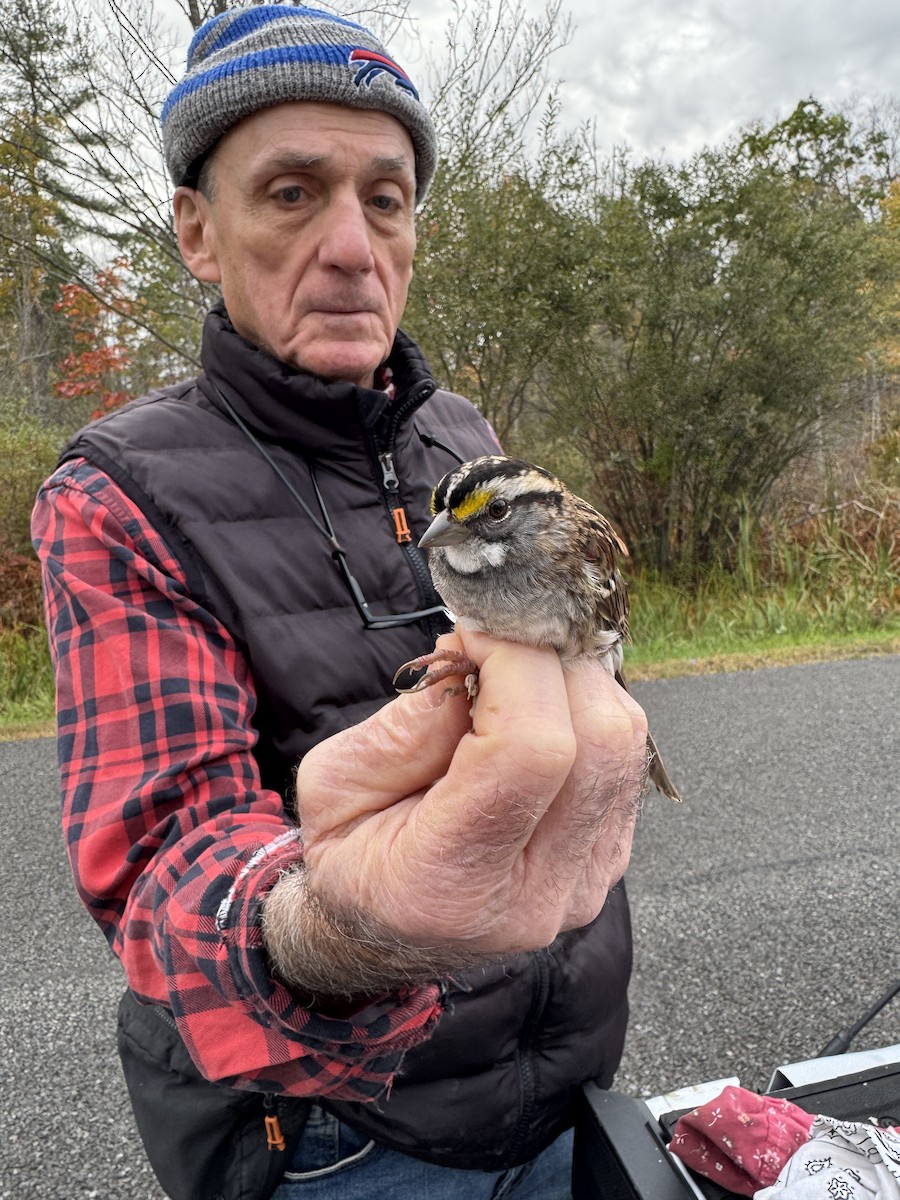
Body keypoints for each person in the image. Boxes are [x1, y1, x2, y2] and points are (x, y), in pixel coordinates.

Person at [31, 7, 648, 1199]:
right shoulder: (115, 496)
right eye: (293, 193)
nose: (354, 248)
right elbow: (163, 871)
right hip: (340, 1136)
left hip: (567, 1081)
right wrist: (342, 930)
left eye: (387, 197)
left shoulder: (457, 435)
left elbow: (571, 630)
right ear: (198, 233)